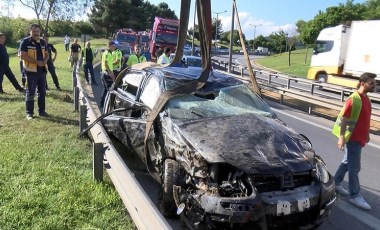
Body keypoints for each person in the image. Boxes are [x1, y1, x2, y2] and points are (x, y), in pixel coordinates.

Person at [332, 72, 376, 210]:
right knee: (354, 167)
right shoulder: (353, 99)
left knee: (346, 162)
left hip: (360, 137)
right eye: (371, 83)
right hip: (353, 139)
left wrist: (367, 134)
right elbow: (344, 119)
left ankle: (336, 182)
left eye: (375, 83)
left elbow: (365, 119)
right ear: (362, 83)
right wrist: (341, 137)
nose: (374, 85)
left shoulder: (367, 99)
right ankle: (355, 195)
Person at [19, 24, 49, 120]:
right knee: (31, 92)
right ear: (30, 31)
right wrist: (37, 62)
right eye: (34, 31)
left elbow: (47, 54)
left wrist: (45, 61)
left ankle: (42, 111)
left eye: (37, 31)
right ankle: (29, 113)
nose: (36, 33)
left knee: (42, 92)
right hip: (30, 72)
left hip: (42, 71)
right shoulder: (25, 41)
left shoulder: (43, 41)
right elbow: (22, 55)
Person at [100, 41, 116, 108]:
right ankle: (105, 105)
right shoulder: (107, 53)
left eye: (114, 46)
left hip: (107, 73)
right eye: (113, 46)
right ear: (109, 46)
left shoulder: (110, 53)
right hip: (107, 73)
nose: (114, 47)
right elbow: (106, 64)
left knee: (105, 89)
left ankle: (102, 103)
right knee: (109, 90)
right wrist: (111, 74)